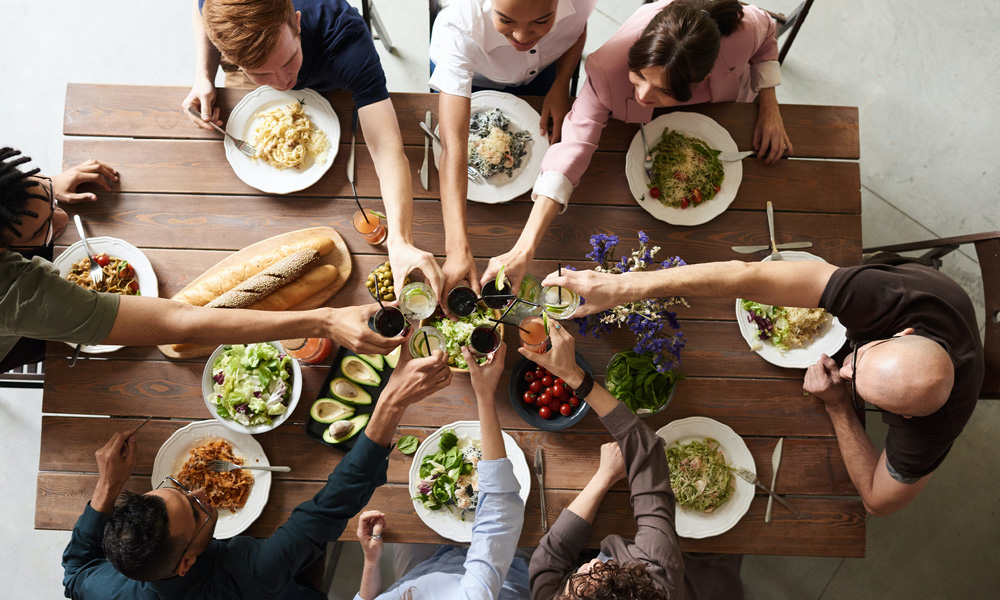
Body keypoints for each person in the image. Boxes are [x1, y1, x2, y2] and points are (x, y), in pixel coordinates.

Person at [543, 254, 985, 516]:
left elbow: (877, 501)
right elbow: (747, 276)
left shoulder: (934, 429)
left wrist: (838, 406)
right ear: (902, 333)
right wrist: (625, 285)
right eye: (861, 359)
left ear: (904, 416)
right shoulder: (888, 298)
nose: (845, 367)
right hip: (909, 283)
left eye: (859, 387)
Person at [61, 342, 453, 599]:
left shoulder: (104, 589)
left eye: (178, 488)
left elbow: (74, 570)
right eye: (196, 511)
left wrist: (107, 487)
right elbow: (331, 507)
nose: (201, 493)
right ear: (186, 564)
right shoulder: (248, 576)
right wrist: (391, 403)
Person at [481, 0, 791, 294]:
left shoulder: (745, 31)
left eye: (663, 90)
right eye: (639, 75)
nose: (642, 95)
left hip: (723, 112)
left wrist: (769, 104)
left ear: (701, 80)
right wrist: (524, 248)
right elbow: (573, 147)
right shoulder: (606, 68)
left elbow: (768, 34)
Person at [0, 147, 402, 373]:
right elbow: (179, 321)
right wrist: (325, 321)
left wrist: (39, 192)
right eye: (42, 231)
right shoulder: (20, 296)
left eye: (49, 200)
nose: (63, 220)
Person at [182, 0, 444, 300]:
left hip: (330, 72)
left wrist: (400, 240)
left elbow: (386, 147)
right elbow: (201, 8)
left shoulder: (347, 40)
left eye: (288, 61)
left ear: (296, 23)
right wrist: (204, 77)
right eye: (262, 74)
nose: (282, 83)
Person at [526, 323, 743, 599]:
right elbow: (647, 453)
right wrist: (576, 377)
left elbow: (548, 558)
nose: (588, 565)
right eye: (599, 572)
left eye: (574, 583)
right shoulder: (658, 574)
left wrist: (603, 478)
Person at [430, 0, 595, 303]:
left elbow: (576, 29)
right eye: (505, 20)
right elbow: (453, 148)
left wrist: (561, 84)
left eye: (541, 21)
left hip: (542, 68)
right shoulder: (462, 27)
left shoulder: (581, 3)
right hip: (473, 75)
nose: (521, 37)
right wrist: (456, 249)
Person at [352, 342, 529, 600]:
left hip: (422, 573)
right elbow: (499, 513)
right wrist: (484, 395)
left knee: (409, 533)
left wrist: (371, 560)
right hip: (505, 576)